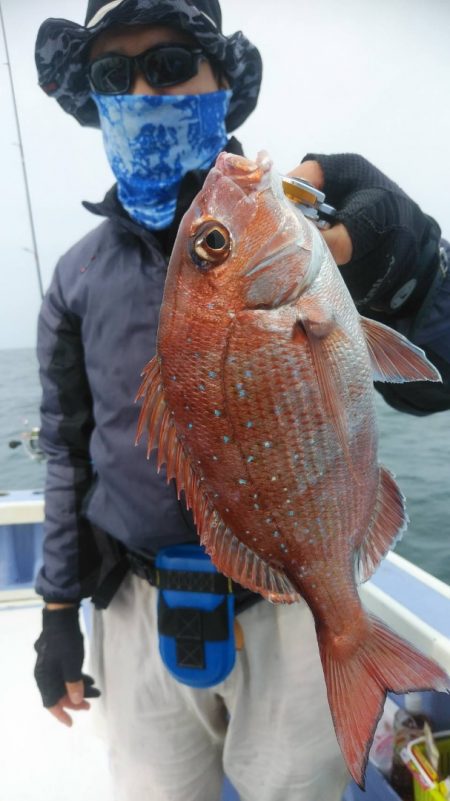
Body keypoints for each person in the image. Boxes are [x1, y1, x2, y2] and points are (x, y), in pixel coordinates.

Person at [32, 2, 450, 801]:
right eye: (115, 74)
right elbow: (65, 450)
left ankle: (350, 646)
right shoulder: (77, 277)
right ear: (93, 99)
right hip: (134, 613)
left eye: (171, 61)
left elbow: (439, 385)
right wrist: (57, 610)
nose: (144, 89)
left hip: (292, 606)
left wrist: (418, 272)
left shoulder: (311, 230)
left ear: (222, 77)